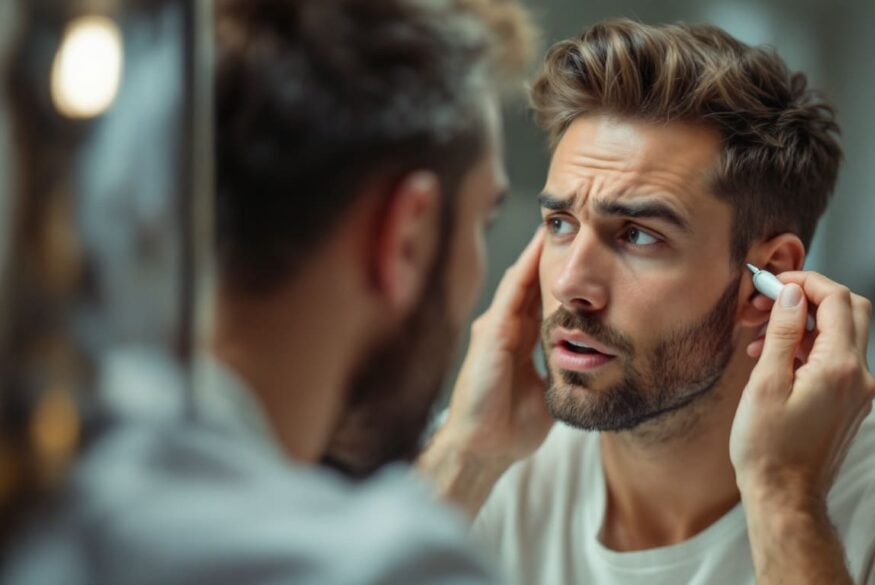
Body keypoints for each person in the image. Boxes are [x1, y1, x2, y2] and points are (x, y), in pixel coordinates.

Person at [418, 19, 875, 584]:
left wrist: (784, 495)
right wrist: (467, 458)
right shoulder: (479, 470)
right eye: (560, 223)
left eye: (638, 235)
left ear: (769, 277)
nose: (570, 284)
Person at [3, 0, 537, 582]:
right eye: (482, 222)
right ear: (407, 237)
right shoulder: (393, 567)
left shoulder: (52, 461)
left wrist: (470, 453)